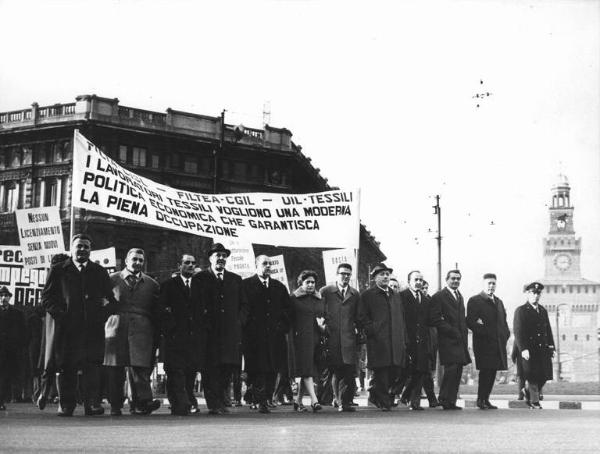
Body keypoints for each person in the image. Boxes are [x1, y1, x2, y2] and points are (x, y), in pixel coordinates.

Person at [41, 234, 116, 416]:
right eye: (79, 246)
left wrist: (101, 316)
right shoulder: (59, 270)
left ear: (90, 250)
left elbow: (112, 300)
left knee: (92, 366)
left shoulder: (99, 271)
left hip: (92, 329)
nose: (82, 250)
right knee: (67, 366)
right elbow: (47, 298)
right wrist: (62, 315)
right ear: (71, 249)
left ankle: (92, 404)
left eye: (86, 247)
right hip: (68, 329)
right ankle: (66, 405)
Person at [104, 248, 161, 416]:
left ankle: (141, 403)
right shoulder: (111, 280)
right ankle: (115, 405)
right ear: (126, 260)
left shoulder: (152, 284)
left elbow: (156, 309)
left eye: (140, 260)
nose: (137, 263)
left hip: (142, 329)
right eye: (134, 259)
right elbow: (102, 303)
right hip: (116, 326)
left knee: (140, 368)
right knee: (115, 369)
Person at [196, 243, 248, 415]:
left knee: (227, 368)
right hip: (209, 333)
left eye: (224, 256)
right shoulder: (201, 278)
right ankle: (213, 403)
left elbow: (244, 305)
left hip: (230, 333)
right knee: (210, 369)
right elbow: (196, 304)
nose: (221, 258)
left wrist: (239, 322)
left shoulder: (235, 279)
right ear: (210, 258)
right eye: (217, 255)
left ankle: (221, 400)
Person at [242, 255, 291, 413]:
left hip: (274, 337)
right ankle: (259, 399)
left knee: (272, 368)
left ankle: (267, 398)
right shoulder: (246, 285)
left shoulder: (279, 287)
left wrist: (282, 327)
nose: (268, 266)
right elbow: (242, 310)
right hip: (254, 337)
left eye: (270, 264)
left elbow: (287, 310)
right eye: (264, 264)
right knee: (257, 369)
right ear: (256, 266)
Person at [159, 254, 207, 415]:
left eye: (193, 263)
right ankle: (180, 403)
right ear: (179, 265)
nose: (191, 266)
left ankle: (186, 401)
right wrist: (170, 330)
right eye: (187, 263)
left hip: (193, 338)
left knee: (190, 372)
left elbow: (203, 311)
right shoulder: (168, 285)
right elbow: (162, 311)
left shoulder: (200, 287)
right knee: (175, 372)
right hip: (175, 338)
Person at [358, 263, 407, 411]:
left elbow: (401, 317)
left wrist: (403, 338)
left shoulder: (394, 295)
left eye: (387, 274)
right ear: (374, 278)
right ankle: (383, 401)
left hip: (395, 341)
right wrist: (371, 330)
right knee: (382, 371)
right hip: (378, 340)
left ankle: (376, 395)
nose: (386, 277)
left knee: (395, 371)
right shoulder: (367, 295)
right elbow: (362, 317)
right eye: (382, 274)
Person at [319, 263, 360, 412]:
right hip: (331, 337)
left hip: (348, 339)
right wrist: (322, 328)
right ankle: (338, 400)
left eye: (348, 274)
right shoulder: (326, 291)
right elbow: (319, 312)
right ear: (337, 275)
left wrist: (358, 333)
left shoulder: (355, 294)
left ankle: (345, 401)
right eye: (343, 273)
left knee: (348, 371)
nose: (346, 276)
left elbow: (358, 316)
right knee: (335, 370)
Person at [466, 273, 510, 410]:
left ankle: (486, 399)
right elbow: (471, 321)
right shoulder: (475, 300)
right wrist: (484, 331)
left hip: (497, 344)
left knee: (492, 372)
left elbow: (503, 322)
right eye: (489, 283)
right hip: (484, 344)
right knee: (485, 372)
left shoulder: (499, 302)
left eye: (493, 283)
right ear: (484, 284)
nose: (491, 286)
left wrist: (505, 335)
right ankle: (481, 399)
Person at [429, 269, 471, 410]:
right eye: (453, 278)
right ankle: (444, 398)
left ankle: (451, 401)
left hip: (460, 340)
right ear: (446, 279)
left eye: (458, 279)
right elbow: (434, 318)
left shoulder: (459, 296)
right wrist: (450, 330)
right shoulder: (439, 296)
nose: (455, 281)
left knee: (457, 370)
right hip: (447, 340)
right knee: (451, 370)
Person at [513, 282, 555, 409]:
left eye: (538, 293)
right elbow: (518, 331)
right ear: (527, 293)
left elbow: (548, 330)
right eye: (532, 293)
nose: (535, 296)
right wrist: (523, 349)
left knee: (544, 375)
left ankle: (526, 390)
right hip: (529, 350)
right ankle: (534, 401)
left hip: (542, 349)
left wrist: (552, 347)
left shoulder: (542, 310)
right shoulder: (521, 310)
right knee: (532, 375)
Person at [289, 270, 324, 412]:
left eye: (313, 282)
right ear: (301, 283)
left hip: (316, 337)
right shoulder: (294, 298)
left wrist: (323, 325)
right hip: (300, 338)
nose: (310, 285)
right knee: (306, 369)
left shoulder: (319, 298)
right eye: (307, 282)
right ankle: (315, 400)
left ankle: (298, 402)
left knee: (307, 370)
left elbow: (324, 314)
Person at [399, 270, 434, 411]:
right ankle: (396, 394)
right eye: (416, 279)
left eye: (421, 280)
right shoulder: (402, 297)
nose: (419, 282)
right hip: (408, 339)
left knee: (421, 371)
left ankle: (414, 401)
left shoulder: (425, 299)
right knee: (408, 371)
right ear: (409, 282)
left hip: (422, 341)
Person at [0, 286, 26, 411]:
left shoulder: (17, 314)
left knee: (6, 377)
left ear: (10, 297)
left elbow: (23, 332)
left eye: (6, 295)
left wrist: (19, 347)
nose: (3, 298)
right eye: (1, 295)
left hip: (10, 351)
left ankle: (1, 400)